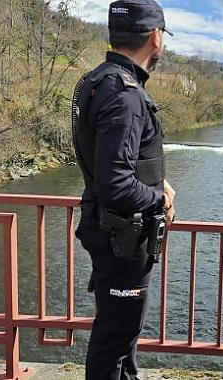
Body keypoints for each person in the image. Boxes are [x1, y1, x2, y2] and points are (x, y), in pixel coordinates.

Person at [71, 1, 175, 379]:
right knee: (115, 342)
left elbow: (108, 163)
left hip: (109, 231)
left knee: (118, 337)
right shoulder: (126, 94)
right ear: (155, 37)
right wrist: (159, 199)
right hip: (124, 238)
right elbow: (116, 183)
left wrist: (153, 181)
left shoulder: (99, 80)